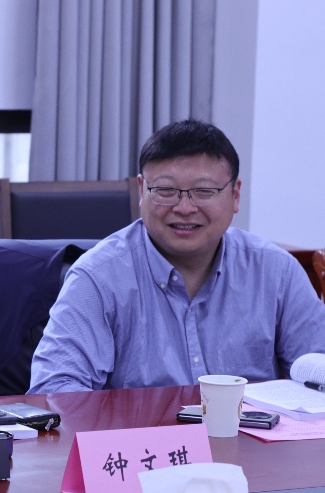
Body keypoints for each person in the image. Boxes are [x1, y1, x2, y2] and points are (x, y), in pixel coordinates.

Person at [28, 119, 325, 393]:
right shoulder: (98, 277)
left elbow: (316, 369)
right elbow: (54, 390)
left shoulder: (276, 271)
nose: (184, 208)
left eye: (204, 191)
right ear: (142, 191)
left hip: (248, 434)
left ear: (235, 195)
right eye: (166, 190)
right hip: (141, 434)